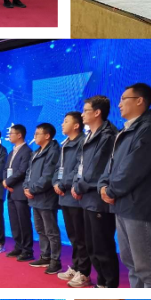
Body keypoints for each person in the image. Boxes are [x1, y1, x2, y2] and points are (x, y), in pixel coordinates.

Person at [100, 83, 151, 287]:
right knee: (131, 263)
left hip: (139, 207)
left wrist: (111, 190)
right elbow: (112, 164)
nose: (119, 104)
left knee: (147, 267)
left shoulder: (149, 129)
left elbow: (134, 167)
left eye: (123, 99)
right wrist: (103, 185)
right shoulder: (126, 130)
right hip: (123, 204)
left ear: (139, 101)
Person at [75, 96, 120, 287]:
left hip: (99, 198)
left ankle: (109, 284)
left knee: (103, 245)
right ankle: (101, 281)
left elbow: (98, 168)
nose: (82, 114)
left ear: (97, 112)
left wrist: (79, 186)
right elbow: (81, 166)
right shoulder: (89, 135)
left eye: (86, 110)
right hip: (87, 197)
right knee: (92, 245)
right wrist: (76, 184)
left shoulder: (108, 135)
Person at [56, 111, 91, 285]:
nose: (62, 124)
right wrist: (56, 182)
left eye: (66, 121)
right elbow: (58, 168)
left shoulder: (82, 142)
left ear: (76, 125)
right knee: (72, 236)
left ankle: (83, 272)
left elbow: (79, 168)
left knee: (80, 237)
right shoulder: (64, 144)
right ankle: (76, 268)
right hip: (64, 196)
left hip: (75, 195)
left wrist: (63, 184)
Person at [24, 123, 63, 274]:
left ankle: (55, 260)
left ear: (47, 136)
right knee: (40, 229)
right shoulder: (36, 152)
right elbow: (28, 172)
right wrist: (26, 187)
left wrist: (32, 189)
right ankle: (45, 256)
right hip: (35, 197)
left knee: (51, 231)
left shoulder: (53, 151)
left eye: (37, 133)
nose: (34, 136)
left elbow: (48, 176)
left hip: (46, 197)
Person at [4, 124, 34, 259]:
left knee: (23, 222)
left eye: (11, 133)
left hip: (20, 191)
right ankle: (18, 246)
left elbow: (22, 171)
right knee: (14, 221)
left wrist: (8, 182)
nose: (9, 136)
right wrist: (5, 182)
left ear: (19, 135)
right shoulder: (12, 152)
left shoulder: (27, 151)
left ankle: (27, 250)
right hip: (10, 191)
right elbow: (6, 169)